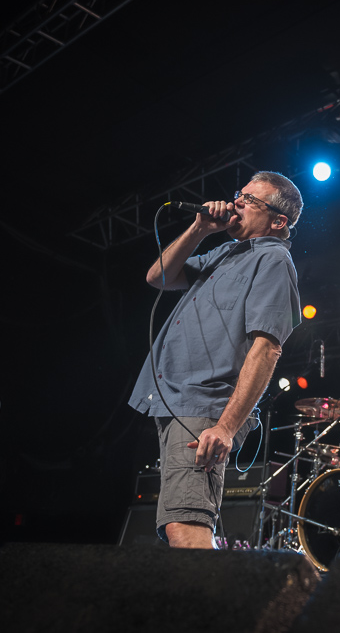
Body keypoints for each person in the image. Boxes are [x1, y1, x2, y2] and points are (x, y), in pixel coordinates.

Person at [129, 171, 303, 549]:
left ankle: (211, 591)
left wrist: (225, 428)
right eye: (239, 194)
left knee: (185, 526)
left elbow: (267, 349)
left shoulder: (273, 260)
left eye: (250, 200)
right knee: (178, 527)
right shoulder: (224, 252)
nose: (237, 201)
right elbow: (158, 277)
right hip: (174, 400)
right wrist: (199, 229)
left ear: (278, 221)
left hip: (204, 406)